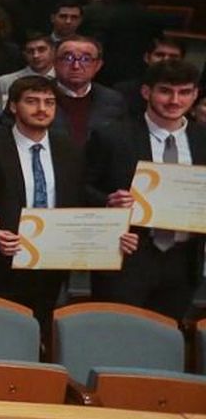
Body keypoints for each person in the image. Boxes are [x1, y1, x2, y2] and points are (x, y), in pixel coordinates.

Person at [0, 76, 129, 337]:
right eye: (32, 101)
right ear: (13, 106)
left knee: (40, 340)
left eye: (49, 102)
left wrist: (112, 221)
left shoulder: (71, 151)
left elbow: (80, 199)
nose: (42, 108)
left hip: (51, 266)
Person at [85, 60, 203, 320]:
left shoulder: (202, 139)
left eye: (184, 92)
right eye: (165, 91)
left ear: (195, 95)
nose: (175, 100)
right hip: (127, 255)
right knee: (116, 334)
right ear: (146, 92)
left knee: (167, 342)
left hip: (183, 260)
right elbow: (80, 187)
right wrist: (108, 202)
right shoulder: (112, 137)